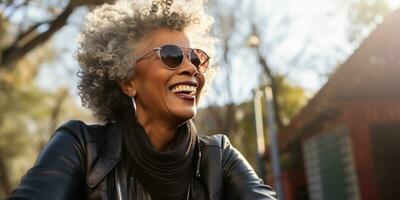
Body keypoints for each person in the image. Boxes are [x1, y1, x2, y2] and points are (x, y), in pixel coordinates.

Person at [8, 0, 277, 199]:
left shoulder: (219, 158)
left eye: (196, 58)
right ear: (127, 81)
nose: (191, 67)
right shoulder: (82, 148)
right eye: (171, 56)